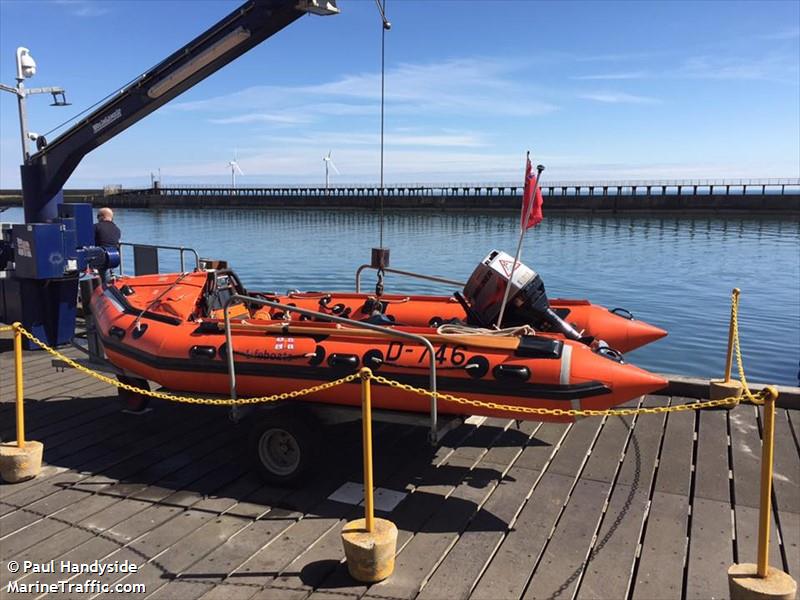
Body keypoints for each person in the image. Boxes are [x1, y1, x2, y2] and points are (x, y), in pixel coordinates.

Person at [94, 207, 121, 282]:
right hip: (114, 257)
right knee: (108, 272)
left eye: (98, 216)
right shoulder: (116, 229)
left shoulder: (96, 227)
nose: (97, 218)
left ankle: (105, 289)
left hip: (102, 256)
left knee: (104, 277)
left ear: (102, 216)